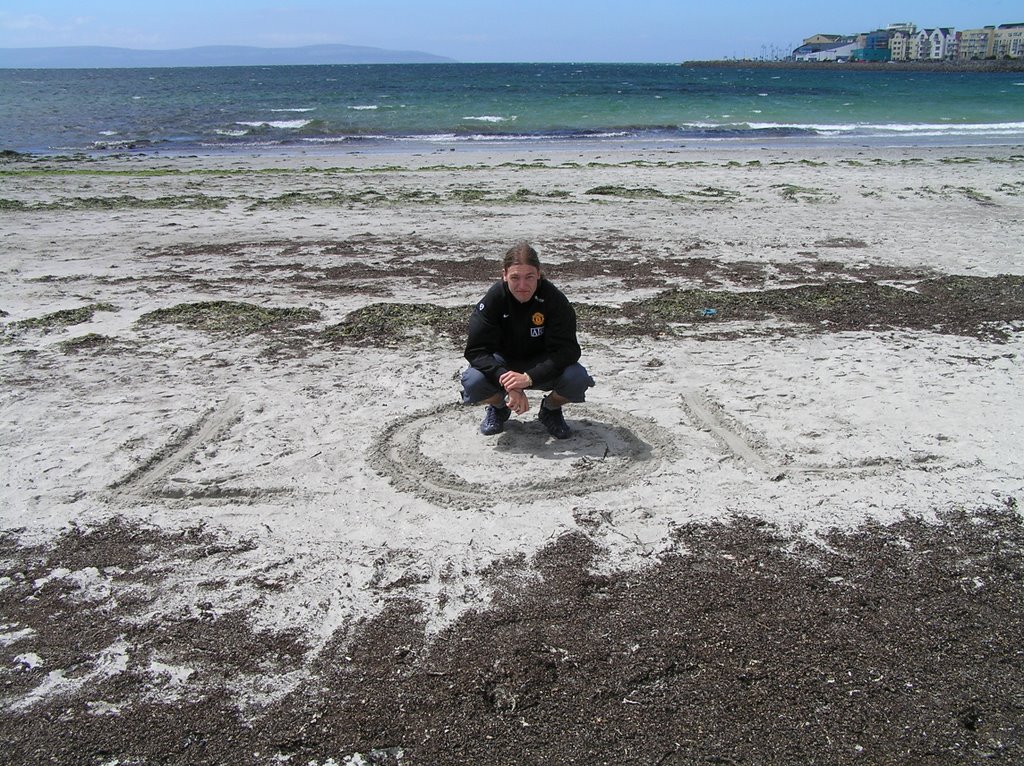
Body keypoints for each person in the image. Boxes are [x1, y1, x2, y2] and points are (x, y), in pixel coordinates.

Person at [461, 242, 594, 439]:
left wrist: (529, 378)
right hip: (503, 363)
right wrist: (509, 383)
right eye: (515, 277)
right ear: (504, 275)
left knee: (577, 378)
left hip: (542, 362)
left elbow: (568, 351)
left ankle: (551, 408)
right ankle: (499, 407)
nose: (522, 286)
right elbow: (475, 351)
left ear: (539, 274)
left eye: (529, 277)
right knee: (472, 381)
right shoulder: (494, 299)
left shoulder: (554, 299)